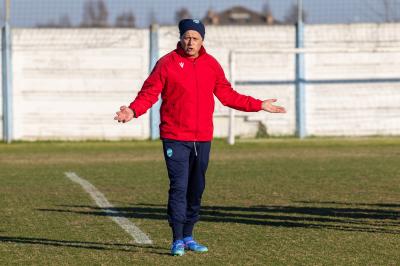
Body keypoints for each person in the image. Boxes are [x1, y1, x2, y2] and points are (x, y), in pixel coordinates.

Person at [114, 19, 286, 256]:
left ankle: (189, 235)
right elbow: (149, 93)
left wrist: (258, 105)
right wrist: (132, 110)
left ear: (202, 40)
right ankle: (176, 239)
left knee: (196, 189)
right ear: (180, 38)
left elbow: (228, 95)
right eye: (187, 37)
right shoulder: (166, 64)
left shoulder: (211, 64)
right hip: (175, 136)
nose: (190, 42)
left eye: (195, 38)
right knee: (179, 187)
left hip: (203, 138)